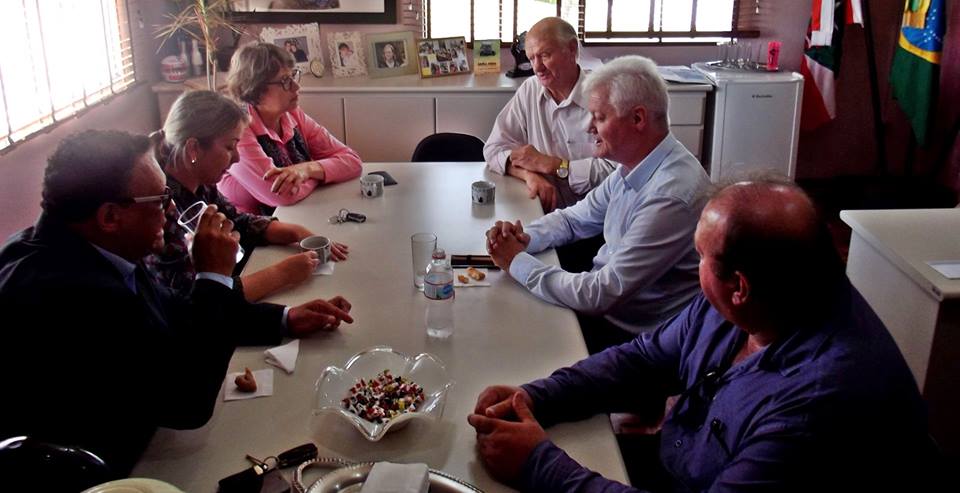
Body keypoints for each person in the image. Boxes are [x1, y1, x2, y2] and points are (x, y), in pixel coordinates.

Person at [468, 179, 935, 492]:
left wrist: (538, 465)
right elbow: (644, 359)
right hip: (683, 461)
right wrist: (539, 396)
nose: (692, 270)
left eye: (699, 257)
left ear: (739, 286)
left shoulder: (820, 402)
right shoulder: (757, 300)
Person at [0, 130, 354, 477]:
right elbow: (187, 402)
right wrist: (214, 276)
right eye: (158, 200)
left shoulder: (97, 245)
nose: (170, 211)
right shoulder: (62, 292)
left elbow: (179, 313)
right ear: (110, 216)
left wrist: (286, 319)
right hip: (105, 472)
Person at [486, 55, 710, 352]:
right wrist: (524, 237)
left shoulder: (670, 195)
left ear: (638, 119)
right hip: (606, 311)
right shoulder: (635, 164)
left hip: (632, 342)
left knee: (508, 339)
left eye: (600, 117)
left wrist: (516, 261)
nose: (589, 127)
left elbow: (599, 295)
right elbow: (574, 219)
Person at [147, 90, 350, 302]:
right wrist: (282, 274)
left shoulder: (200, 183)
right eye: (229, 146)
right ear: (194, 149)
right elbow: (195, 302)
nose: (236, 158)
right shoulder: (161, 209)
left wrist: (298, 232)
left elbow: (239, 222)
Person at [484, 17, 617, 212]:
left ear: (572, 49)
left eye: (545, 55)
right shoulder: (530, 89)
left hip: (597, 221)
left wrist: (555, 166)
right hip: (543, 214)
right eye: (531, 58)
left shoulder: (606, 96)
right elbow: (493, 149)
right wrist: (529, 175)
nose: (537, 67)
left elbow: (618, 172)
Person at [219, 42, 362, 215]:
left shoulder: (292, 115)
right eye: (285, 81)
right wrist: (323, 173)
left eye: (294, 76)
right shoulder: (237, 130)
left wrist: (305, 169)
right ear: (256, 88)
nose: (296, 86)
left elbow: (353, 161)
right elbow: (282, 195)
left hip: (301, 213)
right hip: (249, 233)